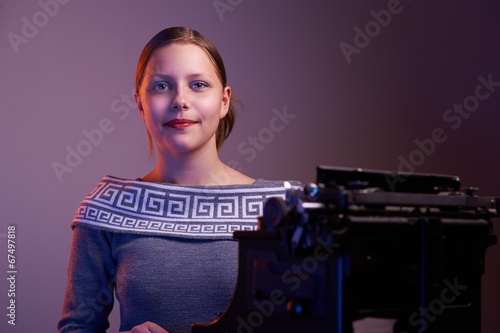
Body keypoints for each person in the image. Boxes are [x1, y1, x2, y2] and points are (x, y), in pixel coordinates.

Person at [57, 26, 300, 333]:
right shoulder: (105, 208)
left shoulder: (284, 209)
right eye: (161, 87)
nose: (180, 100)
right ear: (140, 104)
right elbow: (77, 327)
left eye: (198, 85)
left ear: (224, 101)